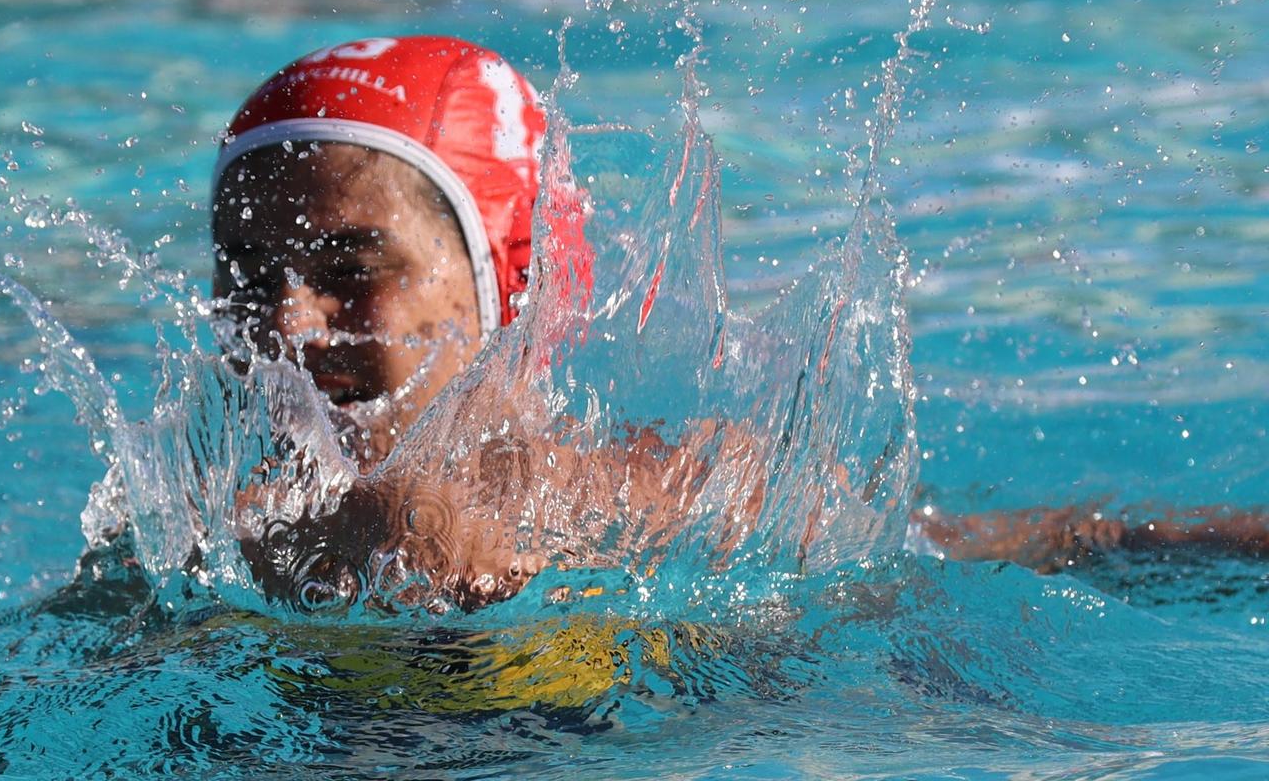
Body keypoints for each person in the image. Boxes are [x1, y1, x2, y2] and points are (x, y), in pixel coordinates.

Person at [211, 34, 1268, 612]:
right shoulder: (226, 533)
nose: (286, 318)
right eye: (247, 272)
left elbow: (989, 558)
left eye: (350, 267)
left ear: (508, 285)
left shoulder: (693, 489)